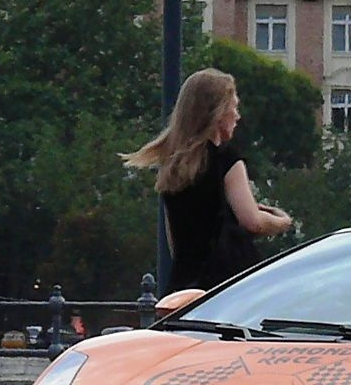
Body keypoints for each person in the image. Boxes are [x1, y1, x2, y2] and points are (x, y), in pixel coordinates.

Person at [121, 68, 294, 291]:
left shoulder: (173, 168)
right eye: (235, 107)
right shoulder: (226, 159)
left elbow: (174, 243)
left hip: (185, 285)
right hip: (228, 283)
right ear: (219, 112)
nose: (238, 116)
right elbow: (252, 221)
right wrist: (282, 221)